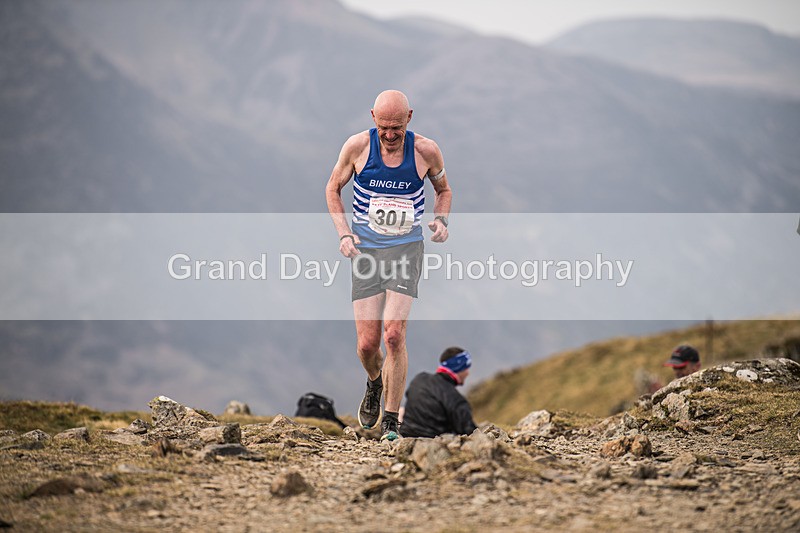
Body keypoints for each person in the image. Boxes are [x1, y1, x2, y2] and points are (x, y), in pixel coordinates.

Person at [325, 90, 452, 441]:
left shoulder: (426, 151)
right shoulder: (357, 148)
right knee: (368, 345)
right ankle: (374, 382)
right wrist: (344, 233)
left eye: (397, 127)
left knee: (393, 334)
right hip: (366, 252)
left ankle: (392, 421)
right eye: (383, 127)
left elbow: (444, 190)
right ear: (372, 117)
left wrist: (441, 220)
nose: (391, 134)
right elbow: (332, 188)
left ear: (409, 117)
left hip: (406, 250)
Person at [400, 346, 478, 438]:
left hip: (406, 435)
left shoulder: (419, 379)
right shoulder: (456, 399)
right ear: (459, 367)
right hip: (433, 440)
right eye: (466, 368)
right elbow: (469, 431)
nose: (468, 373)